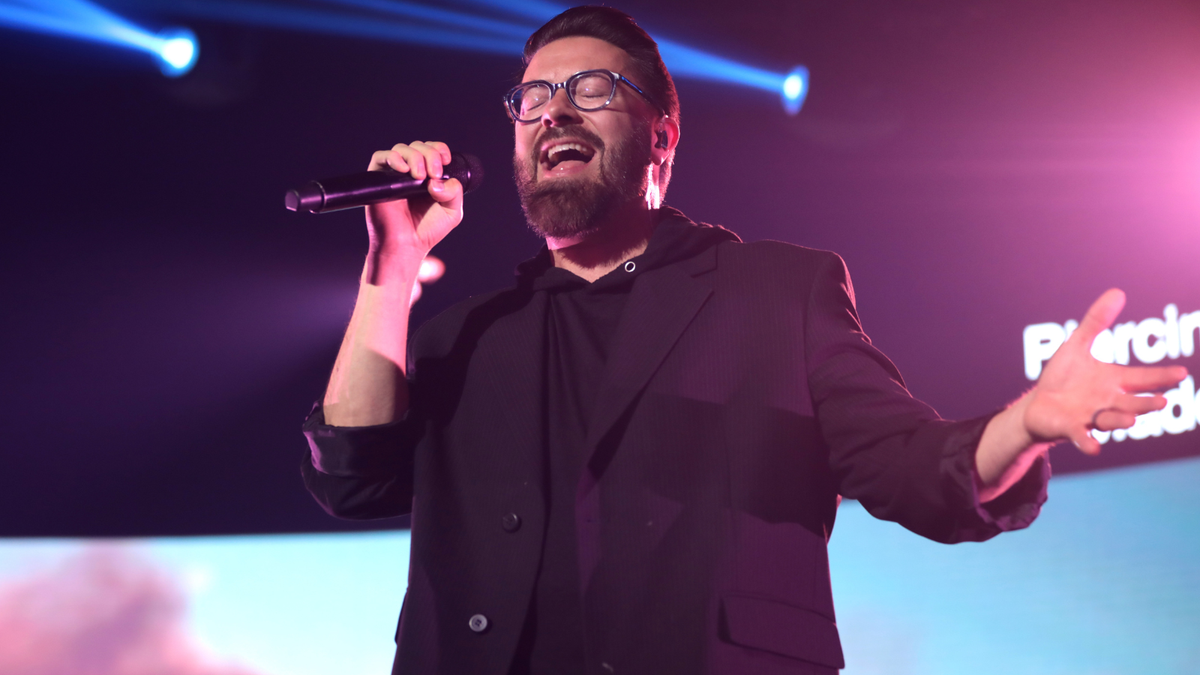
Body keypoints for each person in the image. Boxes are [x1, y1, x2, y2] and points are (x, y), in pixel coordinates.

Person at [301, 7, 1186, 674]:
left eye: (592, 90)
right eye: (532, 99)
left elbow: (911, 468)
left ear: (662, 137)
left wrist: (1024, 423)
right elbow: (353, 474)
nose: (554, 113)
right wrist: (394, 261)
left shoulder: (775, 293)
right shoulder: (465, 333)